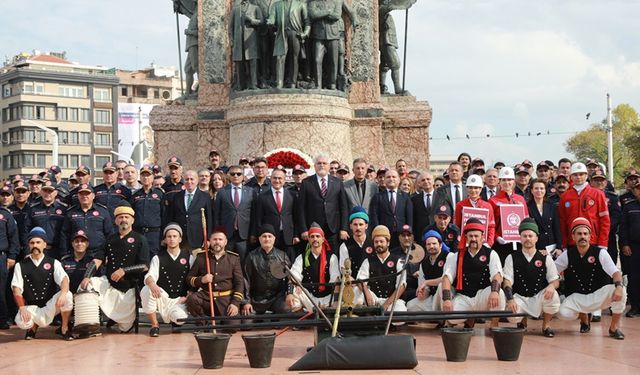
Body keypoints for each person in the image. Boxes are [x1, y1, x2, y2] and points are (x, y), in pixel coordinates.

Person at [80, 203, 150, 333]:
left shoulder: (140, 239)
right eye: (120, 217)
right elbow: (98, 259)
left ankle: (117, 318)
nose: (123, 219)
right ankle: (89, 324)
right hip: (110, 284)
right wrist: (87, 276)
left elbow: (145, 266)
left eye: (126, 217)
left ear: (132, 220)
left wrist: (124, 270)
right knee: (88, 284)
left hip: (129, 287)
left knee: (125, 328)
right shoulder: (110, 239)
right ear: (116, 220)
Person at [555, 217, 626, 340]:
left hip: (598, 295)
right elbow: (552, 271)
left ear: (590, 236)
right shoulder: (567, 254)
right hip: (578, 296)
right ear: (573, 236)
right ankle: (584, 320)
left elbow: (615, 272)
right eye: (579, 234)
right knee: (562, 313)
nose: (582, 236)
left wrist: (619, 286)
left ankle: (614, 328)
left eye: (585, 233)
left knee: (622, 292)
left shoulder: (601, 253)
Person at [441, 218, 505, 328]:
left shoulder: (491, 254)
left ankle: (494, 324)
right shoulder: (456, 256)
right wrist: (447, 299)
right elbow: (447, 277)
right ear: (466, 238)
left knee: (500, 294)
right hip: (464, 297)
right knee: (451, 317)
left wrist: (494, 292)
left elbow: (497, 275)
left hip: (482, 296)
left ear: (482, 237)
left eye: (476, 236)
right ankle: (469, 319)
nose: (473, 239)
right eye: (470, 236)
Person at [11, 227, 74, 340]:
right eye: (32, 243)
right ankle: (32, 328)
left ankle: (64, 328)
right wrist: (22, 308)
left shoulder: (54, 262)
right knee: (21, 321)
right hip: (32, 307)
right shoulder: (20, 265)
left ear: (44, 244)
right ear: (29, 245)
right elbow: (16, 289)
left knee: (68, 295)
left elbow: (64, 279)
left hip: (50, 305)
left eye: (38, 242)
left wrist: (63, 293)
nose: (35, 245)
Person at [502, 219, 560, 337]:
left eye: (530, 236)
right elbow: (507, 281)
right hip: (520, 298)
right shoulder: (511, 257)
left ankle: (546, 326)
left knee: (553, 296)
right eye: (524, 236)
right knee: (511, 316)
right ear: (520, 238)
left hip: (539, 296)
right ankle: (522, 322)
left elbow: (555, 280)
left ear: (536, 238)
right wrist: (510, 299)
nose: (527, 238)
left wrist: (551, 286)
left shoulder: (545, 257)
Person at [141, 223, 193, 337]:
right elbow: (150, 275)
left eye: (175, 236)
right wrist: (152, 284)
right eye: (169, 236)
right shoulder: (158, 257)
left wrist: (189, 296)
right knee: (146, 289)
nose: (172, 239)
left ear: (180, 239)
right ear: (164, 240)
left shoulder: (189, 256)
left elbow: (194, 278)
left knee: (180, 318)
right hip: (162, 297)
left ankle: (174, 320)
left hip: (180, 299)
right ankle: (155, 325)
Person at [186, 230, 244, 325]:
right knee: (192, 299)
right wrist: (202, 280)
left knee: (233, 327)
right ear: (210, 241)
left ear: (225, 242)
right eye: (214, 239)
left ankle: (224, 320)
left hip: (226, 300)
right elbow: (189, 278)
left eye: (220, 239)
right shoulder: (202, 257)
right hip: (206, 298)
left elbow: (239, 283)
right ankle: (203, 322)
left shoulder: (233, 258)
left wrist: (235, 303)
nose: (217, 242)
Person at [297, 154, 349, 252]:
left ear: (328, 166)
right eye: (319, 163)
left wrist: (344, 228)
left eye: (324, 163)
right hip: (313, 229)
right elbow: (301, 209)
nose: (321, 165)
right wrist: (303, 229)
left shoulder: (337, 182)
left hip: (333, 229)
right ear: (315, 166)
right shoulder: (306, 182)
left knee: (333, 258)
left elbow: (343, 207)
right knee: (315, 258)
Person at [557, 162, 610, 255]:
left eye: (581, 174)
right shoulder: (565, 196)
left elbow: (605, 221)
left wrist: (603, 244)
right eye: (575, 175)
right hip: (572, 242)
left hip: (593, 242)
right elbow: (562, 222)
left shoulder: (598, 194)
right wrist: (564, 245)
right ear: (571, 177)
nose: (578, 177)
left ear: (586, 175)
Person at [288, 223, 340, 311]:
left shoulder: (332, 257)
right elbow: (292, 277)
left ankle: (322, 310)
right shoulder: (301, 258)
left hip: (328, 298)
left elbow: (336, 280)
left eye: (317, 236)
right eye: (312, 236)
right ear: (308, 239)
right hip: (309, 298)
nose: (315, 239)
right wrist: (290, 293)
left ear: (323, 239)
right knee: (294, 291)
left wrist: (335, 301)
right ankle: (304, 320)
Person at [354, 225, 407, 313]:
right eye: (376, 242)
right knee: (356, 290)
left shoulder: (398, 261)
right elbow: (360, 280)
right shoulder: (368, 261)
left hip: (392, 300)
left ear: (388, 243)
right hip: (374, 299)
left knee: (399, 312)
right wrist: (367, 293)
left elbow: (401, 286)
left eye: (381, 241)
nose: (379, 244)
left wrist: (387, 303)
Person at [242, 224, 291, 317]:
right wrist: (246, 302)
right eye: (264, 236)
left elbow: (290, 278)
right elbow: (245, 280)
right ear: (259, 239)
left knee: (286, 310)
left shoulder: (282, 256)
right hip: (256, 299)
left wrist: (289, 294)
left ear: (274, 239)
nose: (267, 239)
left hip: (277, 298)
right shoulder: (251, 256)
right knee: (247, 323)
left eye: (270, 236)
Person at [254, 168, 299, 261]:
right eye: (275, 178)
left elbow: (296, 216)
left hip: (288, 236)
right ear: (270, 179)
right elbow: (258, 218)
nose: (277, 181)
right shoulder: (262, 196)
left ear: (284, 179)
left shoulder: (292, 195)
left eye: (280, 178)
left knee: (289, 262)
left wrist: (296, 235)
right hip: (270, 237)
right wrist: (260, 236)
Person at [214, 165, 257, 262]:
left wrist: (253, 233)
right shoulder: (222, 192)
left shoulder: (251, 192)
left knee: (243, 260)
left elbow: (254, 215)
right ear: (229, 176)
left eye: (239, 174)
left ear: (243, 176)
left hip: (244, 235)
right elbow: (217, 215)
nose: (236, 176)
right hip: (227, 234)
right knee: (225, 261)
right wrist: (218, 233)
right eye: (233, 174)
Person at [59, 184, 114, 259]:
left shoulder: (103, 211)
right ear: (78, 196)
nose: (84, 196)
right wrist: (64, 254)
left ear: (93, 196)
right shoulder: (71, 212)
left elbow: (109, 234)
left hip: (98, 254)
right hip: (76, 254)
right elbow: (65, 234)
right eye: (81, 194)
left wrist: (109, 253)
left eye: (87, 194)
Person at [165, 170, 213, 254]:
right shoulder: (176, 197)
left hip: (198, 240)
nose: (189, 182)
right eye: (187, 179)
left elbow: (209, 219)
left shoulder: (205, 197)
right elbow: (171, 218)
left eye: (192, 179)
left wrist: (208, 238)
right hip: (180, 240)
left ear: (197, 181)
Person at [490, 167, 529, 264]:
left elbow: (526, 220)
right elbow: (490, 224)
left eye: (510, 180)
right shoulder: (493, 200)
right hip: (501, 245)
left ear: (514, 181)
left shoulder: (521, 199)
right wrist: (496, 237)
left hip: (519, 243)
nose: (507, 182)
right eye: (504, 180)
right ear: (499, 181)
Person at [267, 0, 311, 88]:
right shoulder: (276, 5)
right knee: (280, 57)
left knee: (294, 58)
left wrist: (305, 34)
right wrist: (270, 23)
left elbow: (307, 22)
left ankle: (292, 83)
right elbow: (272, 18)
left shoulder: (300, 4)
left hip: (295, 33)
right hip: (281, 33)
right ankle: (279, 83)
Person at [369, 169, 413, 249]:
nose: (391, 179)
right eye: (388, 177)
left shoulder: (405, 197)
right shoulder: (378, 197)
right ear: (384, 180)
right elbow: (374, 217)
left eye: (394, 177)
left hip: (402, 235)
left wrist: (409, 234)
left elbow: (409, 217)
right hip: (384, 235)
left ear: (399, 180)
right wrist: (378, 233)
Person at [406, 230, 449, 312]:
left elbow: (446, 279)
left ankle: (439, 316)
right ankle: (436, 315)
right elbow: (424, 287)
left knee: (441, 287)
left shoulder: (449, 256)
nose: (431, 246)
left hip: (447, 297)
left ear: (440, 245)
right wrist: (422, 294)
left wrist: (427, 282)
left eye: (434, 243)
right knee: (410, 305)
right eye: (428, 244)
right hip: (432, 297)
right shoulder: (424, 264)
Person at [131, 165, 165, 257]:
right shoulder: (135, 195)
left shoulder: (159, 194)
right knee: (139, 259)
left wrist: (163, 236)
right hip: (138, 233)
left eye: (148, 175)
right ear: (140, 177)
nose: (146, 177)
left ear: (153, 177)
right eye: (143, 175)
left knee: (154, 260)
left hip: (155, 235)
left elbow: (164, 215)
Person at [454, 174, 496, 249]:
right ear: (467, 189)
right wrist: (461, 242)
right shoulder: (460, 205)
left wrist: (489, 243)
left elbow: (491, 227)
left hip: (483, 244)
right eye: (470, 188)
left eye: (476, 188)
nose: (473, 190)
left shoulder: (487, 206)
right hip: (465, 244)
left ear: (481, 189)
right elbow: (457, 226)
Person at [27, 180, 67, 259]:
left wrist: (64, 252)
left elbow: (66, 232)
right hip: (37, 250)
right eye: (45, 190)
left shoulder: (63, 209)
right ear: (41, 192)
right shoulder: (33, 209)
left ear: (56, 193)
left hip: (57, 250)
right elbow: (26, 230)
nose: (47, 193)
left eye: (50, 191)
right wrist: (27, 251)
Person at [308, 0, 342, 89]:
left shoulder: (336, 2)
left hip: (333, 34)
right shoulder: (314, 2)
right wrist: (328, 12)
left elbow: (337, 15)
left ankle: (332, 84)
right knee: (317, 60)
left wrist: (321, 14)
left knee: (333, 60)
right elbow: (313, 15)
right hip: (319, 35)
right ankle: (318, 84)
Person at [229, 0, 262, 90]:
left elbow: (261, 22)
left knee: (252, 62)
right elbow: (230, 27)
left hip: (251, 39)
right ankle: (240, 85)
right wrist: (231, 40)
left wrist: (251, 20)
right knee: (239, 63)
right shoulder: (235, 10)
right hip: (238, 41)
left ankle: (253, 84)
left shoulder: (256, 8)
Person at [619, 180, 640, 317]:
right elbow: (623, 227)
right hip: (634, 247)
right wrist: (624, 244)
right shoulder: (628, 206)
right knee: (634, 278)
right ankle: (635, 307)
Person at [527, 179, 562, 253]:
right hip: (535, 246)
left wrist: (559, 247)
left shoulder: (552, 206)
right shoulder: (527, 207)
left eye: (542, 188)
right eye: (536, 188)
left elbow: (556, 228)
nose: (539, 190)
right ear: (531, 190)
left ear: (545, 190)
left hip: (551, 246)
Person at [0, 203, 20, 330]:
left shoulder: (5, 214)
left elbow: (13, 236)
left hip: (1, 256)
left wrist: (12, 255)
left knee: (1, 290)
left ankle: (2, 319)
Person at [339, 207, 373, 278]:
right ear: (350, 226)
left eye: (361, 224)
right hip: (353, 285)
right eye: (355, 224)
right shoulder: (345, 246)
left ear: (366, 226)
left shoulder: (373, 243)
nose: (358, 228)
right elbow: (343, 268)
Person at [412, 172, 436, 239]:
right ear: (419, 183)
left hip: (438, 232)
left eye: (428, 179)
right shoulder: (414, 199)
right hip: (421, 234)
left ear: (433, 181)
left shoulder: (442, 196)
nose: (426, 181)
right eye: (423, 180)